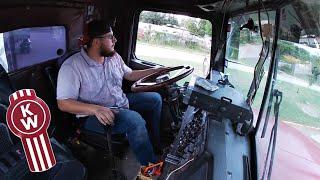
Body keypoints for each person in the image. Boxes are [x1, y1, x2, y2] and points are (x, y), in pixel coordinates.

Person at [56, 19, 165, 166]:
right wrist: (96, 109)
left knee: (155, 99)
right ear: (96, 42)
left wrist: (156, 71)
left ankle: (155, 145)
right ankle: (150, 167)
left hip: (119, 102)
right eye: (110, 37)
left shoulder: (113, 57)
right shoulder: (72, 66)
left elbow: (130, 74)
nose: (115, 40)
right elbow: (63, 103)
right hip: (92, 116)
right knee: (134, 120)